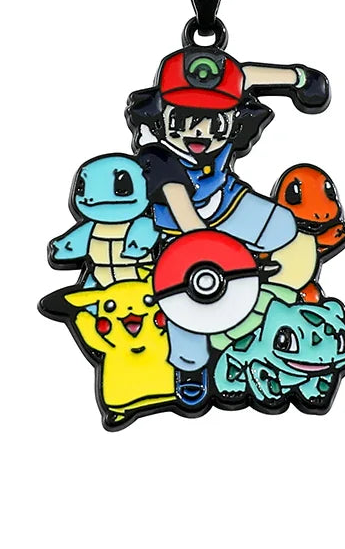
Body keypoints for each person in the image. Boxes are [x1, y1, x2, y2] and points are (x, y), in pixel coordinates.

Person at [124, 46, 330, 406]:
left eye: (215, 122)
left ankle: (280, 296)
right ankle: (190, 367)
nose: (199, 132)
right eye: (182, 120)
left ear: (234, 118)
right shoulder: (157, 155)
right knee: (185, 301)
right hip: (181, 232)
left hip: (229, 202)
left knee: (283, 227)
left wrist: (299, 79)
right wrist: (234, 260)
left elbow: (245, 74)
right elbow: (188, 219)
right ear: (159, 114)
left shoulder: (231, 111)